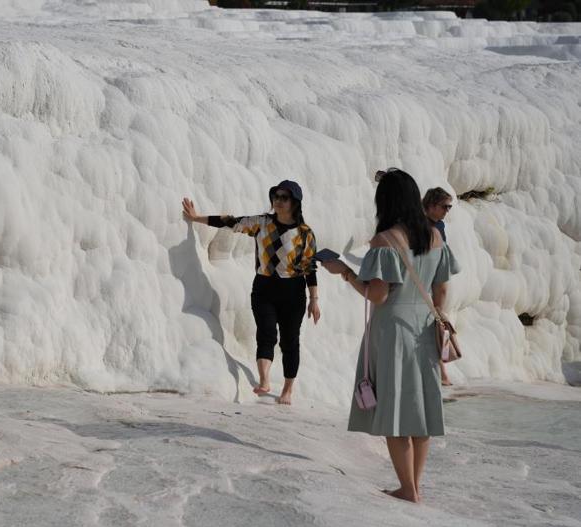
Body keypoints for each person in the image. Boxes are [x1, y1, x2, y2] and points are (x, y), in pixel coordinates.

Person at [321, 168, 459, 503]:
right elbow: (441, 289)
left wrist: (346, 274)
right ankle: (414, 485)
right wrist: (436, 319)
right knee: (421, 408)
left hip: (393, 329)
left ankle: (407, 489)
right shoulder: (435, 238)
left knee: (396, 408)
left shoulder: (385, 242)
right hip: (424, 326)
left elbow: (378, 295)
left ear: (385, 201)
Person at [182, 180, 321, 405]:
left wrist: (314, 300)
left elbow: (310, 269)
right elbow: (231, 222)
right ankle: (264, 380)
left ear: (295, 202)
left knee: (289, 341)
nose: (278, 200)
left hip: (293, 292)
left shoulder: (305, 234)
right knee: (266, 332)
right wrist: (197, 218)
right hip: (264, 287)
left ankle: (287, 390)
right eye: (275, 195)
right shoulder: (262, 223)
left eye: (284, 197)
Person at [423, 186, 454, 385]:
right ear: (432, 205)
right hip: (423, 285)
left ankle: (442, 370)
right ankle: (441, 373)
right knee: (432, 328)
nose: (446, 211)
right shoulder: (417, 224)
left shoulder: (439, 226)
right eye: (445, 206)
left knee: (437, 327)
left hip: (435, 283)